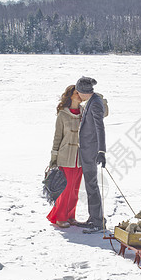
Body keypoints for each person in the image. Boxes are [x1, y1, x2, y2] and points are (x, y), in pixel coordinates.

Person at [46, 85, 84, 228]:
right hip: (65, 156)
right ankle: (60, 217)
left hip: (80, 158)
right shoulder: (63, 115)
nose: (79, 95)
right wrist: (54, 157)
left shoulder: (84, 112)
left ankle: (70, 216)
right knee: (65, 190)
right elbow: (57, 137)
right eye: (76, 93)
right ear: (70, 96)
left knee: (74, 190)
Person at [75, 76, 107, 233]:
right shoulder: (93, 101)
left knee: (92, 185)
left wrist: (101, 151)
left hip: (91, 151)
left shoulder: (95, 104)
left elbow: (100, 128)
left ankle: (97, 222)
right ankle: (94, 218)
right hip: (89, 150)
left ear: (82, 91)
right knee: (90, 185)